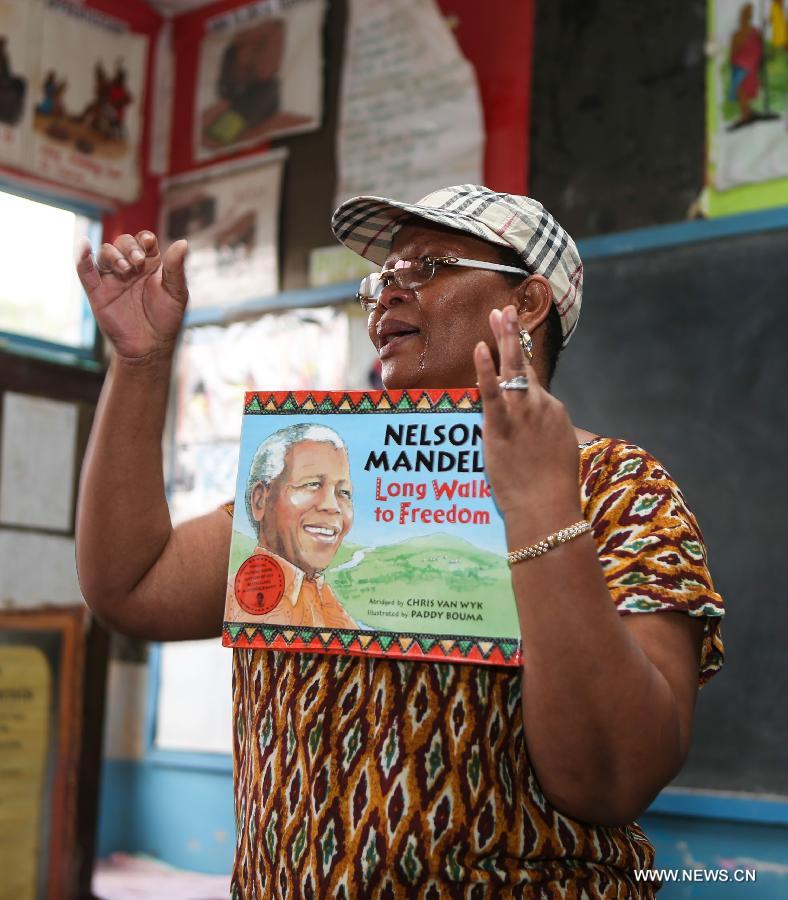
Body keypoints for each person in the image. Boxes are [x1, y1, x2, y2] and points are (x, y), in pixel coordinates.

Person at [75, 184, 724, 897]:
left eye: (426, 267)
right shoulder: (336, 474)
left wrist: (542, 512)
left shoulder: (617, 487)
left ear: (530, 303)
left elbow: (610, 780)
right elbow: (131, 587)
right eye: (381, 279)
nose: (387, 294)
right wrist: (138, 365)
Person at [225, 422, 357, 629]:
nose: (332, 507)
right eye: (312, 484)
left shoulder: (329, 604)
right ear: (260, 500)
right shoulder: (241, 600)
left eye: (344, 493)